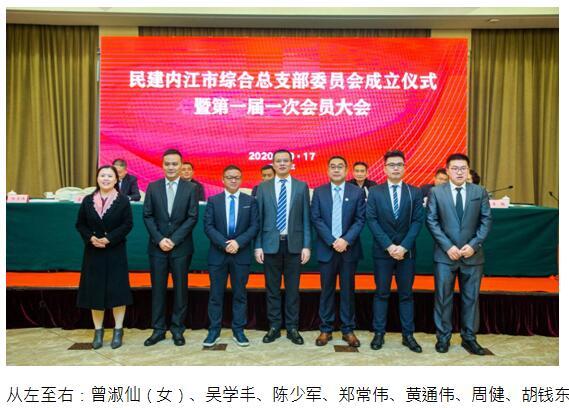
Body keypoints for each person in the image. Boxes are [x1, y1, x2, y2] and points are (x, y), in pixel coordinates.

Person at [426, 153, 492, 355]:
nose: (459, 172)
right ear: (447, 171)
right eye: (455, 168)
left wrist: (474, 245)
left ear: (468, 170)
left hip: (472, 255)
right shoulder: (436, 192)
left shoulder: (479, 191)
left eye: (463, 168)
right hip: (445, 256)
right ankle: (443, 338)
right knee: (443, 298)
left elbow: (486, 220)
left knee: (471, 299)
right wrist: (448, 246)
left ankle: (469, 338)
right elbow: (431, 221)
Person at [366, 150, 425, 353]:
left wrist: (404, 247)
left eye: (399, 164)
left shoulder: (414, 192)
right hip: (383, 252)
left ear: (404, 168)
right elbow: (372, 220)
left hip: (406, 253)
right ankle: (379, 333)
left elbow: (417, 221)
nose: (396, 168)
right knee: (381, 293)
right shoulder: (375, 192)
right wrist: (389, 246)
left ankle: (408, 335)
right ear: (384, 169)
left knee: (406, 295)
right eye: (391, 165)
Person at [254, 149, 311, 345]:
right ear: (273, 164)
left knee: (293, 290)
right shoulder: (263, 187)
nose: (282, 164)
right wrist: (258, 245)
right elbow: (259, 219)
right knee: (272, 289)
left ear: (292, 164)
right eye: (278, 161)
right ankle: (274, 327)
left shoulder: (301, 186)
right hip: (270, 245)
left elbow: (306, 218)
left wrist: (306, 245)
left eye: (286, 160)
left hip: (294, 245)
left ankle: (293, 328)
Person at [143, 149, 199, 347]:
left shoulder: (191, 188)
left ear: (181, 165)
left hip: (181, 248)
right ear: (162, 165)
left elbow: (192, 217)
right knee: (158, 290)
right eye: (167, 164)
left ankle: (177, 329)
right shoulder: (153, 187)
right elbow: (147, 215)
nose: (171, 167)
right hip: (157, 248)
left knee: (180, 290)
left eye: (175, 164)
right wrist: (160, 239)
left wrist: (173, 240)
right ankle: (158, 330)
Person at [76, 165, 133, 349]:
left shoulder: (123, 200)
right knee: (95, 292)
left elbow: (127, 225)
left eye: (110, 176)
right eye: (102, 175)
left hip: (115, 251)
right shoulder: (87, 200)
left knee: (118, 292)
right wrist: (90, 238)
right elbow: (80, 224)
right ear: (97, 178)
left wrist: (109, 239)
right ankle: (98, 331)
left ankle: (118, 330)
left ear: (116, 179)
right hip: (93, 252)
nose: (106, 179)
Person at [311, 156, 366, 347]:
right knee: (326, 291)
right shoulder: (319, 192)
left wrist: (345, 240)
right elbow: (316, 218)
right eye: (332, 167)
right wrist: (332, 240)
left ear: (346, 170)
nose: (336, 170)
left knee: (347, 291)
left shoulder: (356, 192)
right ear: (327, 170)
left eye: (340, 166)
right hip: (327, 249)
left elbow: (360, 219)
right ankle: (325, 329)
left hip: (348, 250)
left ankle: (348, 330)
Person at [203, 165, 259, 347]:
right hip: (218, 255)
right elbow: (208, 226)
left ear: (241, 180)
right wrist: (225, 244)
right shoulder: (213, 200)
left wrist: (238, 243)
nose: (233, 180)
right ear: (223, 179)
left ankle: (238, 330)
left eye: (236, 177)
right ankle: (214, 331)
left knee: (240, 294)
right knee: (215, 295)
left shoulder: (250, 201)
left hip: (241, 255)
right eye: (229, 177)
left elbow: (254, 226)